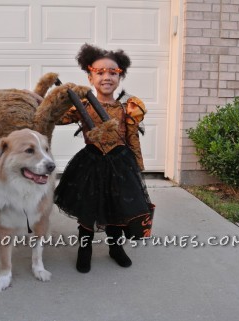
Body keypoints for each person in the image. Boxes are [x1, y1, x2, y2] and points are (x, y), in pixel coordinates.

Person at [54, 43, 153, 273]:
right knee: (88, 209)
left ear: (120, 77)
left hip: (120, 165)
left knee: (117, 210)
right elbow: (58, 119)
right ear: (90, 77)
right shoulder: (83, 105)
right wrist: (55, 101)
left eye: (113, 72)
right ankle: (84, 249)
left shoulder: (127, 107)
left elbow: (132, 138)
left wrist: (137, 167)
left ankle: (115, 248)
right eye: (100, 72)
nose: (106, 77)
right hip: (91, 164)